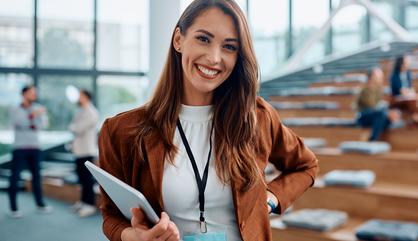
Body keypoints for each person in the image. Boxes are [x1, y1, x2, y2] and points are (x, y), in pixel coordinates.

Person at [98, 1, 318, 241]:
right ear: (178, 39)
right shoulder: (122, 131)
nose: (214, 57)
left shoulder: (256, 118)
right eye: (203, 39)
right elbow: (111, 216)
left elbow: (306, 166)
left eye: (229, 47)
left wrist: (271, 198)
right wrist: (134, 237)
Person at [8, 85, 52, 218]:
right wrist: (33, 116)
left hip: (35, 147)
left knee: (36, 177)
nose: (35, 95)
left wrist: (34, 118)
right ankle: (13, 208)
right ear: (24, 93)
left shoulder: (38, 107)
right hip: (19, 147)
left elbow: (43, 125)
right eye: (32, 92)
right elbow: (19, 122)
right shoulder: (15, 108)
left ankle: (40, 204)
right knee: (15, 177)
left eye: (35, 93)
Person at [69, 89, 99, 217]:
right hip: (78, 150)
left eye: (80, 95)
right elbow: (74, 127)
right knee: (81, 178)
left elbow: (77, 128)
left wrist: (73, 127)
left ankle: (90, 205)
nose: (78, 98)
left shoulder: (92, 112)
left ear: (86, 97)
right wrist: (74, 127)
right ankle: (83, 202)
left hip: (87, 150)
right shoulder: (80, 111)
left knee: (87, 180)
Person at [356, 68, 400, 141]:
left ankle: (380, 137)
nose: (380, 78)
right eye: (378, 76)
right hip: (363, 117)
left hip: (375, 116)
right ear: (372, 77)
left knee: (388, 118)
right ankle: (373, 139)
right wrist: (387, 113)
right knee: (382, 114)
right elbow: (372, 107)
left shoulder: (378, 90)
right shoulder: (365, 89)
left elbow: (378, 106)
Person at [389, 55, 418, 125]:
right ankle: (414, 118)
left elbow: (411, 88)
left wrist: (410, 92)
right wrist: (408, 91)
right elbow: (401, 90)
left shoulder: (408, 73)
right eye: (407, 62)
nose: (408, 64)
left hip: (408, 97)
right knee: (413, 101)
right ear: (402, 63)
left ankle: (414, 117)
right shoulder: (394, 75)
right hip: (397, 99)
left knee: (415, 98)